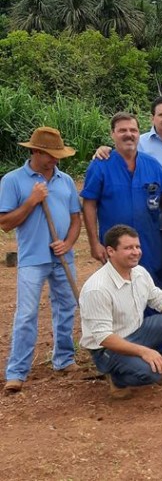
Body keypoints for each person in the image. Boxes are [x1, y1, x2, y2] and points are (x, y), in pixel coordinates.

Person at [79, 225, 162, 399]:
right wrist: (144, 351)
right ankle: (118, 380)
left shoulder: (139, 272)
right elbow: (104, 337)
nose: (136, 252)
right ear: (110, 251)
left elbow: (159, 301)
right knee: (149, 374)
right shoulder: (97, 289)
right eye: (128, 248)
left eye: (137, 247)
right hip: (107, 348)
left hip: (137, 331)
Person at [2, 127, 82, 393]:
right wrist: (32, 201)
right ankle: (17, 371)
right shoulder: (13, 181)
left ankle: (64, 359)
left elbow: (75, 219)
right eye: (50, 155)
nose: (55, 160)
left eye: (58, 155)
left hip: (62, 257)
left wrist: (68, 243)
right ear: (35, 152)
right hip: (32, 258)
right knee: (26, 314)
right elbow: (4, 223)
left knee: (66, 308)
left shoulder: (66, 180)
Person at [82, 113, 162, 286]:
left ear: (139, 134)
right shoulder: (100, 165)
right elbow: (89, 204)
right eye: (122, 130)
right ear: (112, 134)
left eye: (133, 130)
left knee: (150, 289)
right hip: (115, 245)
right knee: (118, 290)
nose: (128, 134)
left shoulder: (152, 164)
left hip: (148, 242)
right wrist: (94, 243)